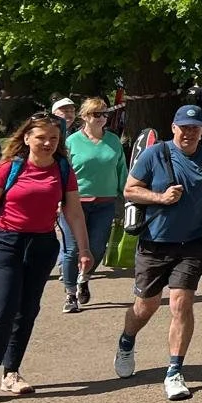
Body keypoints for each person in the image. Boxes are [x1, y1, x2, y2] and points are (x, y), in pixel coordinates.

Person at [0, 112, 90, 403]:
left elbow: (73, 211)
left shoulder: (63, 169)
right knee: (2, 308)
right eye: (41, 137)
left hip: (42, 244)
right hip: (4, 242)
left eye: (53, 138)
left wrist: (84, 250)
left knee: (27, 310)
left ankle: (12, 373)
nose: (48, 143)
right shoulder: (10, 167)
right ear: (26, 138)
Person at [115, 105, 202, 402]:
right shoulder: (154, 154)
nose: (189, 133)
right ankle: (127, 341)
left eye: (196, 128)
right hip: (154, 243)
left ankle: (174, 371)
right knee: (145, 307)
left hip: (192, 245)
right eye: (184, 127)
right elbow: (130, 190)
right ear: (174, 128)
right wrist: (160, 198)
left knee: (181, 303)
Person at [60, 98, 127, 313]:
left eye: (105, 114)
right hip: (74, 203)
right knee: (73, 250)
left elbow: (121, 170)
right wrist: (57, 199)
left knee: (97, 248)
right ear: (85, 116)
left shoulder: (114, 141)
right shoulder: (71, 142)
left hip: (105, 203)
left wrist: (128, 196)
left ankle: (83, 278)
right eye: (97, 114)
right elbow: (62, 173)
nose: (102, 118)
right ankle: (71, 294)